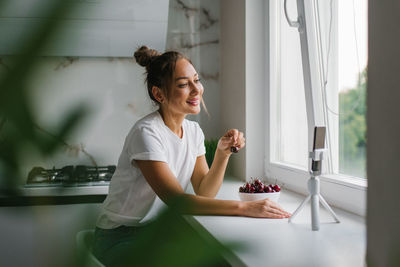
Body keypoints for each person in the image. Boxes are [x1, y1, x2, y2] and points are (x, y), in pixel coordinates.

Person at [92, 46, 291, 265]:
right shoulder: (146, 133)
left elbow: (205, 192)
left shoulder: (193, 131)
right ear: (159, 94)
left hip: (154, 233)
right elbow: (178, 201)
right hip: (119, 238)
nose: (196, 90)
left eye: (197, 80)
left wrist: (222, 154)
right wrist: (245, 208)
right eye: (183, 84)